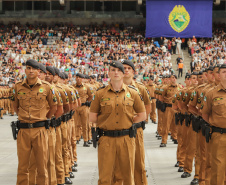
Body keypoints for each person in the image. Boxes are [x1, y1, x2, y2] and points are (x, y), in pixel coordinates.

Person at [89, 61, 146, 185]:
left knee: (128, 177)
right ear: (108, 73)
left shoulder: (133, 92)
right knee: (105, 177)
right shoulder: (100, 93)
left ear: (123, 73)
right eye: (113, 70)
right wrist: (107, 122)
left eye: (119, 70)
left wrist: (128, 121)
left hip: (126, 139)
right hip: (106, 139)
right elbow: (93, 117)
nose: (116, 73)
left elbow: (142, 115)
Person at [12, 59, 58, 185]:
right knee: (22, 166)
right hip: (23, 131)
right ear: (25, 70)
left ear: (38, 71)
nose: (30, 71)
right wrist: (24, 117)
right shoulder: (17, 86)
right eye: (28, 68)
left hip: (40, 130)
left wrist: (44, 118)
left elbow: (53, 107)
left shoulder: (47, 87)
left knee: (42, 166)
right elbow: (15, 106)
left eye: (33, 69)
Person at [202, 64, 226, 185]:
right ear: (218, 75)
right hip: (219, 135)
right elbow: (205, 114)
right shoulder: (212, 93)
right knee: (218, 169)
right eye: (223, 72)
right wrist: (216, 124)